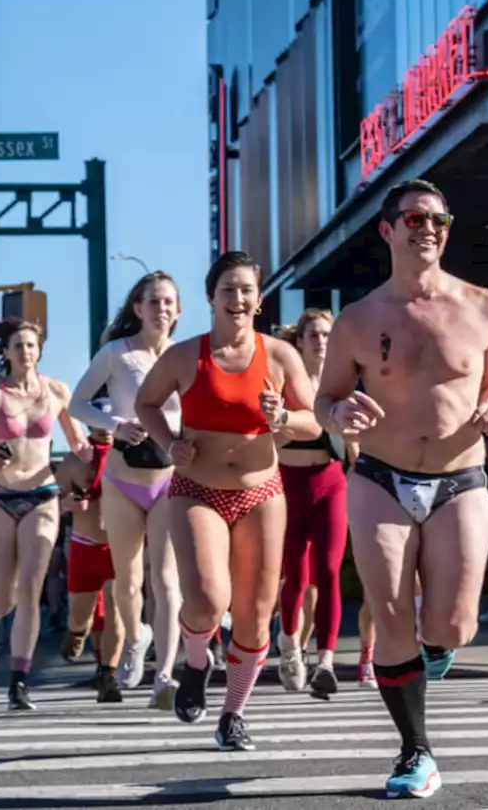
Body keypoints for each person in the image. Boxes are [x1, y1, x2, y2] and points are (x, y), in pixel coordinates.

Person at [315, 178, 488, 798]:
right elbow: (324, 399)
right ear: (388, 231)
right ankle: (414, 751)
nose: (429, 229)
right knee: (392, 614)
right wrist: (339, 415)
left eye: (439, 220)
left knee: (454, 625)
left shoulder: (483, 306)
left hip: (461, 477)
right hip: (380, 476)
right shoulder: (358, 318)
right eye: (415, 219)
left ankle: (432, 652)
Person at [135, 250, 321, 751]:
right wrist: (169, 441)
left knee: (257, 613)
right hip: (197, 489)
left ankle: (234, 713)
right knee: (205, 601)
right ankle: (197, 663)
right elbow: (145, 403)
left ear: (259, 301)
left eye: (246, 290)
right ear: (210, 299)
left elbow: (313, 421)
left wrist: (282, 418)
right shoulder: (184, 355)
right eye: (227, 290)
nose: (237, 298)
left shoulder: (280, 357)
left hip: (262, 491)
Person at [0, 318, 89, 710]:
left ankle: (18, 683)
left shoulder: (56, 391)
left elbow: (76, 441)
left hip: (42, 495)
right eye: (18, 346)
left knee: (30, 590)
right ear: (6, 353)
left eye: (31, 345)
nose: (25, 351)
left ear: (39, 350)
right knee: (5, 595)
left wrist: (87, 453)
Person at [71, 272, 184, 707]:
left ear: (178, 311)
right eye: (152, 301)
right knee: (128, 580)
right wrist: (118, 425)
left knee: (167, 580)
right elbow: (77, 404)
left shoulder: (183, 356)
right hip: (122, 480)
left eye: (168, 302)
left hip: (169, 479)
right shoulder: (116, 354)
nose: (161, 308)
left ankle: (166, 676)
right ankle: (136, 639)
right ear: (137, 308)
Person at [272, 309, 352, 698]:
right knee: (296, 577)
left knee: (331, 570)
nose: (322, 341)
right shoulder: (286, 382)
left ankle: (325, 661)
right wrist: (298, 422)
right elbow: (272, 441)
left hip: (331, 483)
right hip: (289, 485)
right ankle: (290, 647)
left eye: (327, 334)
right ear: (299, 341)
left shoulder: (342, 384)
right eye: (314, 335)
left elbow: (354, 445)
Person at [54, 425, 125, 703]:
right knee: (80, 617)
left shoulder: (128, 455)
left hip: (119, 545)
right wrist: (66, 504)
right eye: (100, 422)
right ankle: (75, 632)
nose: (106, 429)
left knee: (114, 611)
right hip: (84, 546)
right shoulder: (74, 460)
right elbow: (49, 502)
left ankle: (108, 674)